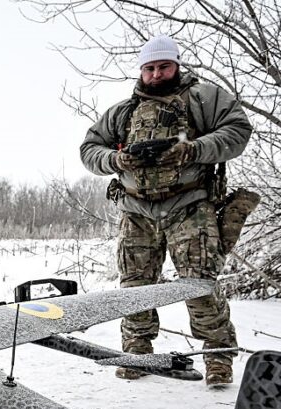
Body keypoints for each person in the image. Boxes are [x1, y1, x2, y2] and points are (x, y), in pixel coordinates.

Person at [79, 35, 253, 386]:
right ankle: (137, 353)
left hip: (189, 206)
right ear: (141, 71)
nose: (156, 74)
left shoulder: (203, 98)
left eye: (163, 66)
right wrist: (116, 159)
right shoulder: (122, 112)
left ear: (176, 65)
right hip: (136, 211)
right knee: (134, 288)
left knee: (199, 285)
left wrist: (195, 149)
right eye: (149, 68)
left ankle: (218, 359)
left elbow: (238, 130)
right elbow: (89, 149)